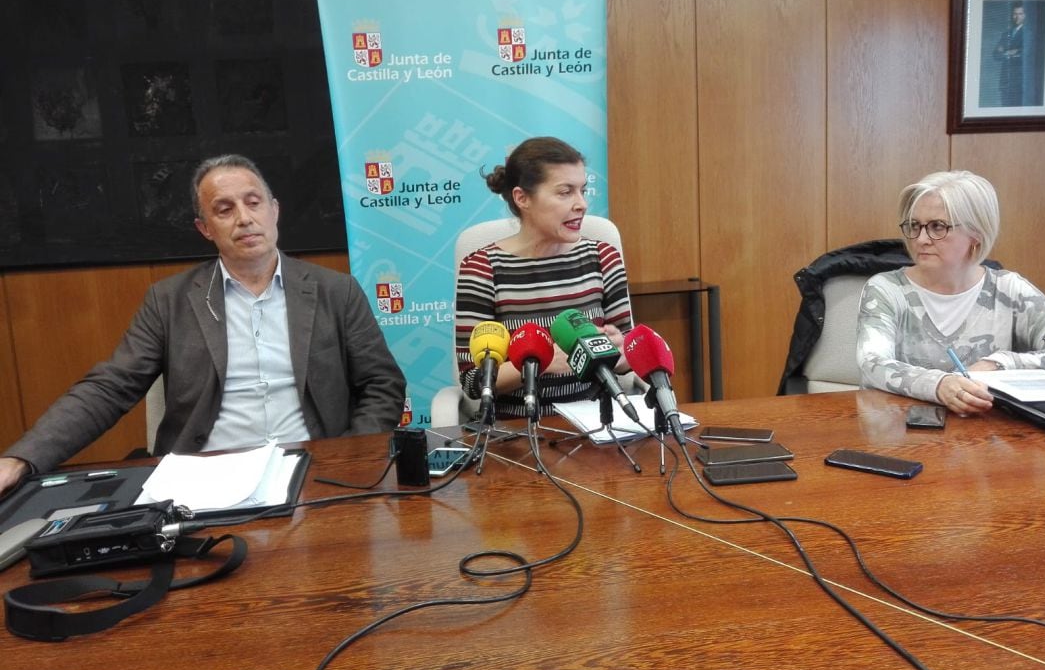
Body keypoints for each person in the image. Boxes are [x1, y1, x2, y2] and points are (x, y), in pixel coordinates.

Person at [0, 154, 405, 494]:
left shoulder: (335, 291)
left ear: (275, 210)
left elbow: (382, 384)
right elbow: (110, 388)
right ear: (205, 228)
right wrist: (22, 457)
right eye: (224, 209)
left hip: (314, 472)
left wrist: (350, 457)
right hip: (204, 479)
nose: (244, 219)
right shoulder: (169, 301)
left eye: (253, 202)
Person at [857, 170, 1045, 415]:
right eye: (914, 226)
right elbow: (873, 363)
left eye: (937, 227)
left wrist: (999, 364)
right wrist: (940, 385)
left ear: (976, 233)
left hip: (987, 437)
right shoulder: (886, 289)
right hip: (902, 434)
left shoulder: (1009, 290)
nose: (921, 239)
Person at [455, 137, 633, 418]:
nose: (582, 204)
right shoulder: (482, 268)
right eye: (565, 192)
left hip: (596, 425)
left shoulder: (603, 257)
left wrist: (621, 351)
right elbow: (473, 382)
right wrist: (541, 359)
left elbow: (627, 358)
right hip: (517, 431)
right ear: (522, 198)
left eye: (582, 191)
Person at [993, 2, 1026, 106]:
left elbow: (1025, 54)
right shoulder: (1006, 34)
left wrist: (1006, 52)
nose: (1017, 17)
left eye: (1020, 14)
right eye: (1014, 14)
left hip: (1019, 80)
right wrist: (1011, 52)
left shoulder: (1028, 33)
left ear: (1025, 15)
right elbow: (995, 55)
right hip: (1005, 81)